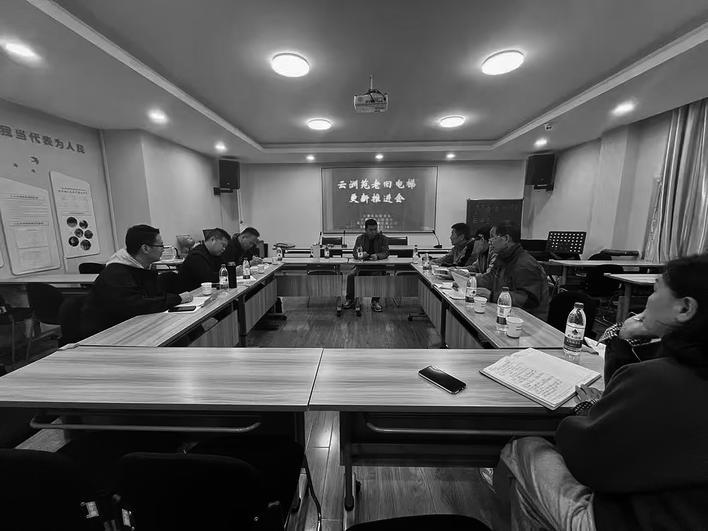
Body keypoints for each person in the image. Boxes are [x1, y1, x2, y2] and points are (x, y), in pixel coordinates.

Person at [491, 253, 708, 530]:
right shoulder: (672, 372)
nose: (647, 301)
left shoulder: (658, 378)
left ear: (685, 308)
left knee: (524, 446)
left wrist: (587, 411)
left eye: (654, 291)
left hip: (626, 521)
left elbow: (585, 460)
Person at [80, 225, 192, 337]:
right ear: (145, 248)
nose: (163, 249)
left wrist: (175, 299)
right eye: (161, 245)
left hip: (132, 327)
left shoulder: (142, 268)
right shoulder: (117, 273)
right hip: (106, 335)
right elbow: (138, 305)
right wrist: (177, 299)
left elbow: (154, 297)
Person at [475, 220, 549, 320]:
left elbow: (528, 300)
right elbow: (490, 279)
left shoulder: (524, 264)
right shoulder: (503, 257)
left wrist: (492, 296)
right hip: (506, 312)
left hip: (526, 320)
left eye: (493, 237)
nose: (490, 241)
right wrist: (470, 281)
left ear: (506, 238)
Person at [343, 219, 389, 312]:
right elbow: (354, 253)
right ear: (365, 230)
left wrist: (378, 256)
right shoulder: (360, 238)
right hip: (362, 267)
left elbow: (386, 252)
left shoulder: (383, 238)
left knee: (377, 276)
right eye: (371, 230)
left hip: (377, 267)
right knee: (351, 276)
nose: (374, 232)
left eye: (375, 229)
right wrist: (360, 255)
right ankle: (350, 300)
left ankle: (375, 301)